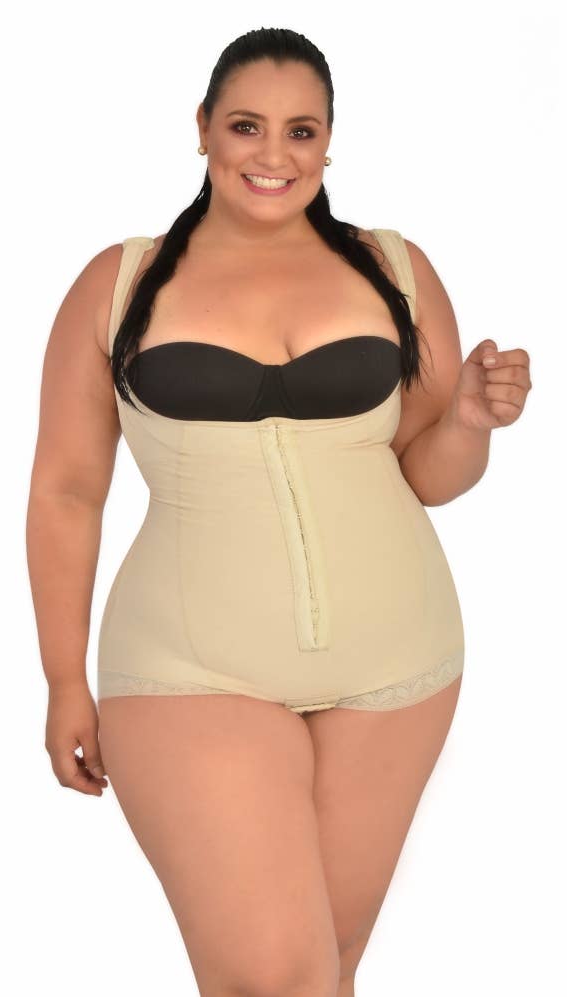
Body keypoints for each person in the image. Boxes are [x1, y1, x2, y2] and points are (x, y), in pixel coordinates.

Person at [26, 26, 531, 997]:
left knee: (327, 972)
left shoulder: (394, 269)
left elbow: (429, 474)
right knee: (274, 978)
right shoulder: (119, 284)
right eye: (247, 125)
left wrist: (470, 420)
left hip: (397, 664)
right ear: (203, 128)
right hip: (187, 667)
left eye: (302, 131)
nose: (274, 154)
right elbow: (67, 490)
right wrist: (60, 677)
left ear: (329, 142)